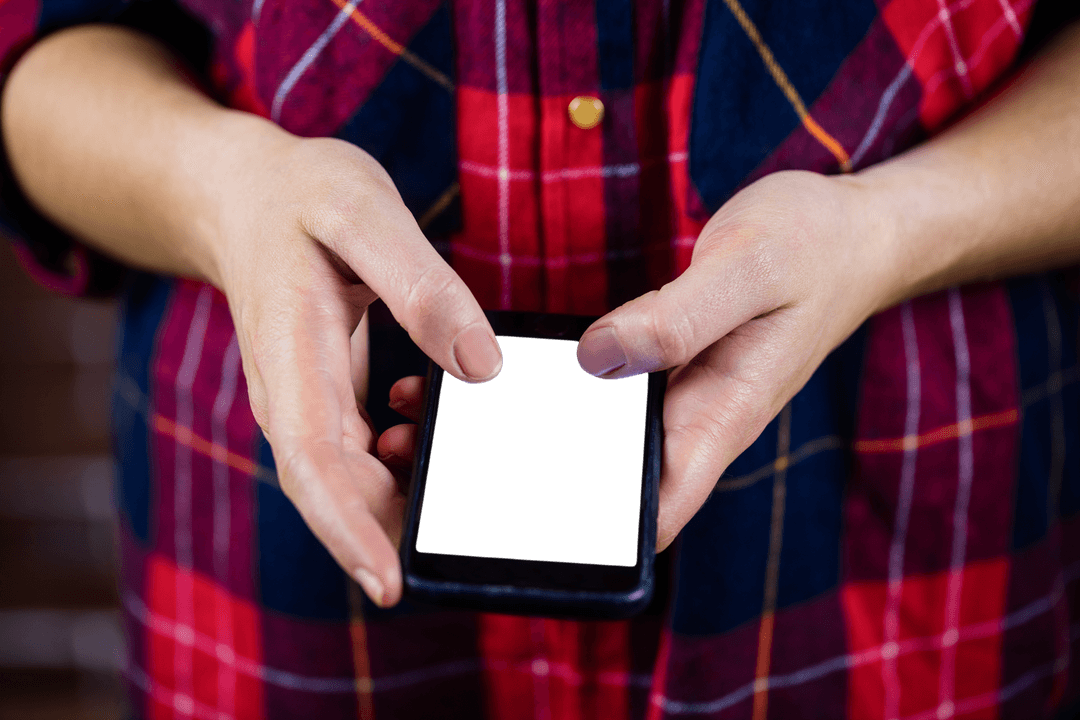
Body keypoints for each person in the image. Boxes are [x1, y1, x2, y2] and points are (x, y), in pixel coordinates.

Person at [2, 0, 1079, 717]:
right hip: (280, 571)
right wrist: (225, 191)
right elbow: (42, 51)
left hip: (895, 564)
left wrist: (889, 228)